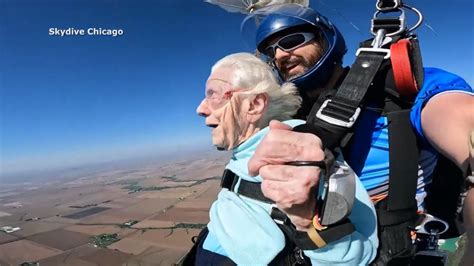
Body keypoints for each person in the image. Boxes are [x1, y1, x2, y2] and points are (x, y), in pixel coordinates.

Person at [241, 3, 474, 265]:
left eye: (291, 40)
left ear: (325, 38)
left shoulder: (398, 89)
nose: (281, 55)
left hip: (402, 252)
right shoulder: (287, 122)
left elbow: (462, 122)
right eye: (271, 52)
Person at [192, 52, 378, 265]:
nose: (200, 109)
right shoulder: (246, 150)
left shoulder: (298, 153)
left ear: (253, 105)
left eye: (213, 95)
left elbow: (357, 258)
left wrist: (307, 223)